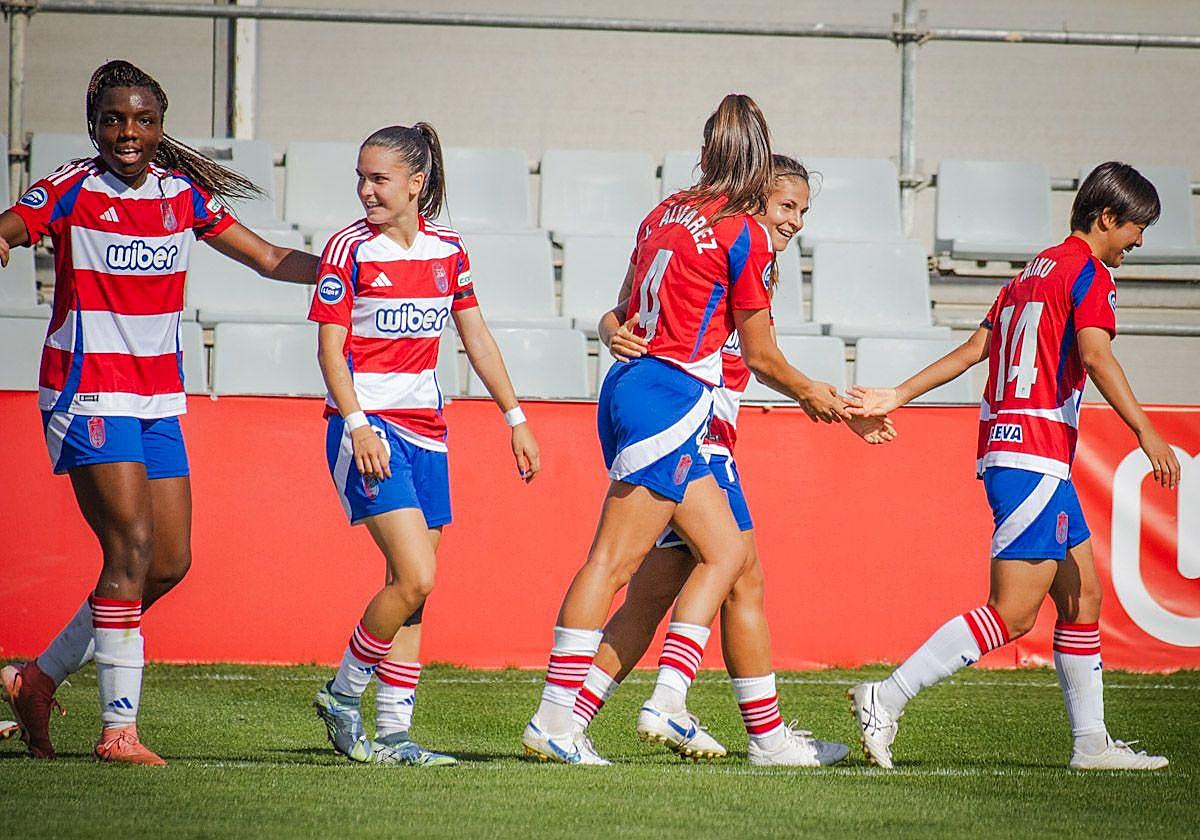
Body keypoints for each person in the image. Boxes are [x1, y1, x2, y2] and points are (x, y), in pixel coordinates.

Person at [522, 94, 860, 766]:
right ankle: (566, 718)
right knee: (618, 563)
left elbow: (618, 315)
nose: (790, 219)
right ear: (759, 169)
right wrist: (819, 397)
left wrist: (611, 332)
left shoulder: (665, 212)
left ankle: (724, 725)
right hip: (675, 403)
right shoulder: (744, 231)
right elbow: (760, 357)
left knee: (725, 559)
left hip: (635, 392)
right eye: (786, 203)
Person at [0, 60, 319, 765]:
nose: (128, 132)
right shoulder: (70, 189)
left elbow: (266, 258)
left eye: (143, 120)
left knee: (169, 562)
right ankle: (119, 730)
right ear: (93, 125)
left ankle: (37, 678)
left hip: (155, 398)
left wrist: (342, 269)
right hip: (87, 391)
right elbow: (15, 225)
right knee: (131, 549)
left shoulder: (184, 197)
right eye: (114, 119)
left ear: (161, 128)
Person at [846, 161, 1180, 771]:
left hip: (1020, 452)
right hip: (1033, 454)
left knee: (1082, 598)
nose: (1139, 242)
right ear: (1106, 218)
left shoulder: (1029, 273)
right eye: (1136, 228)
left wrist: (896, 394)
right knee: (1014, 612)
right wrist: (1147, 432)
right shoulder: (1091, 276)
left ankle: (1091, 745)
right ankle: (885, 696)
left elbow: (976, 350)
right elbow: (1096, 356)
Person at [309, 123, 540, 766]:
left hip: (428, 432)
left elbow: (477, 339)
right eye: (361, 176)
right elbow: (330, 352)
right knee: (417, 574)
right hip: (367, 429)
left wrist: (514, 417)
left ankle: (393, 735)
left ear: (418, 183)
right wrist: (357, 426)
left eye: (379, 178)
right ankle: (343, 695)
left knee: (413, 588)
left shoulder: (447, 251)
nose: (366, 190)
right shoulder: (346, 250)